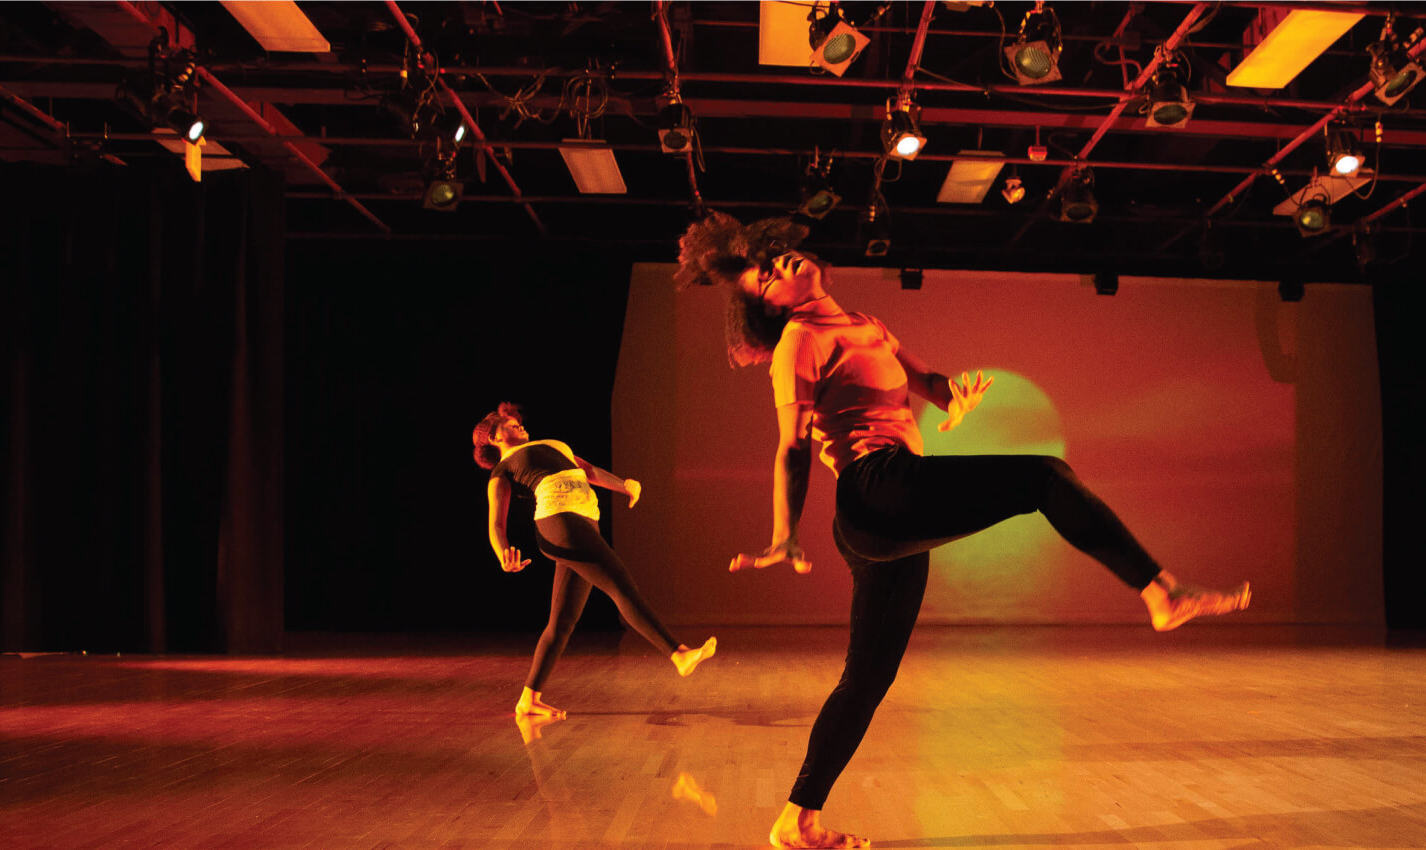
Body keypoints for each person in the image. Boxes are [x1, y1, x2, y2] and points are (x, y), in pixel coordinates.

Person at [676, 212, 1252, 849]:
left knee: (866, 679)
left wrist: (960, 393)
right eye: (763, 275)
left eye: (777, 255)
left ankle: (796, 818)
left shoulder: (867, 326)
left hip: (894, 502)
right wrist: (783, 531)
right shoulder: (798, 342)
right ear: (767, 306)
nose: (778, 265)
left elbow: (932, 388)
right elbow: (791, 446)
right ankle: (1160, 592)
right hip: (874, 492)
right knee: (1045, 476)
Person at [473, 403, 716, 718]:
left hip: (585, 521)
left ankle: (528, 699)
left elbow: (588, 471)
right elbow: (495, 524)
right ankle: (678, 653)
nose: (519, 424)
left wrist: (623, 485)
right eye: (510, 423)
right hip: (558, 523)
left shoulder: (554, 444)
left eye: (519, 421)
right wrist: (502, 552)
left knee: (562, 623)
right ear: (493, 435)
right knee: (620, 584)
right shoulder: (503, 469)